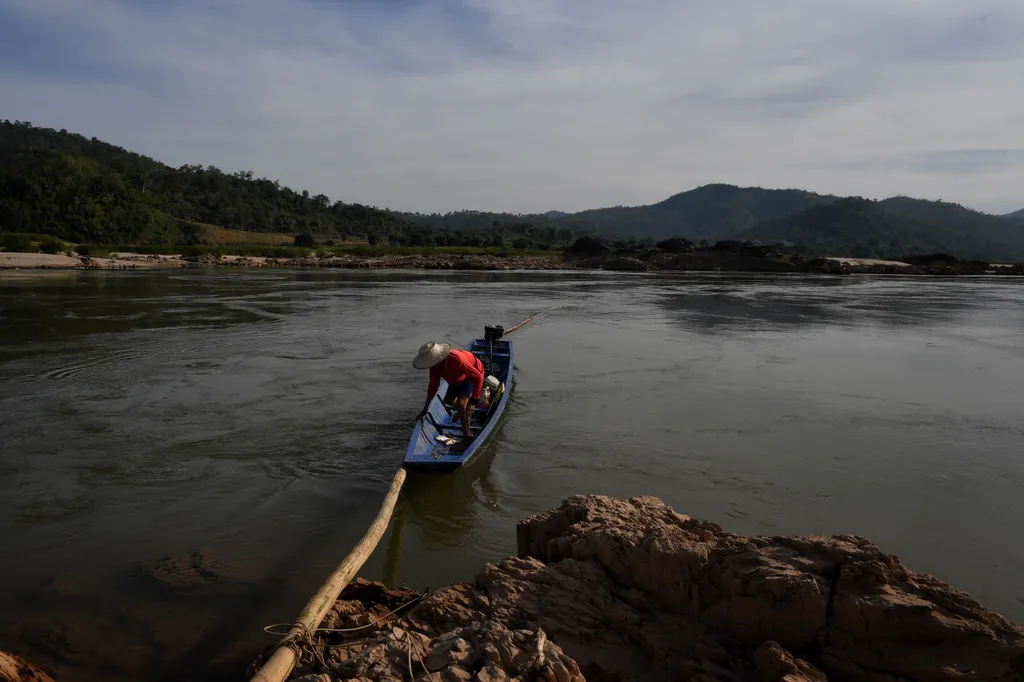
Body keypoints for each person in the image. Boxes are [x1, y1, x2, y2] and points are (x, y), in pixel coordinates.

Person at [413, 342, 484, 440]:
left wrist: (473, 402)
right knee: (448, 401)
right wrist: (425, 409)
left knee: (462, 405)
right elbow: (433, 388)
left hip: (470, 376)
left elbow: (478, 377)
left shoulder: (457, 359)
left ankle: (467, 438)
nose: (432, 366)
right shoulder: (434, 368)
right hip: (455, 378)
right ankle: (461, 411)